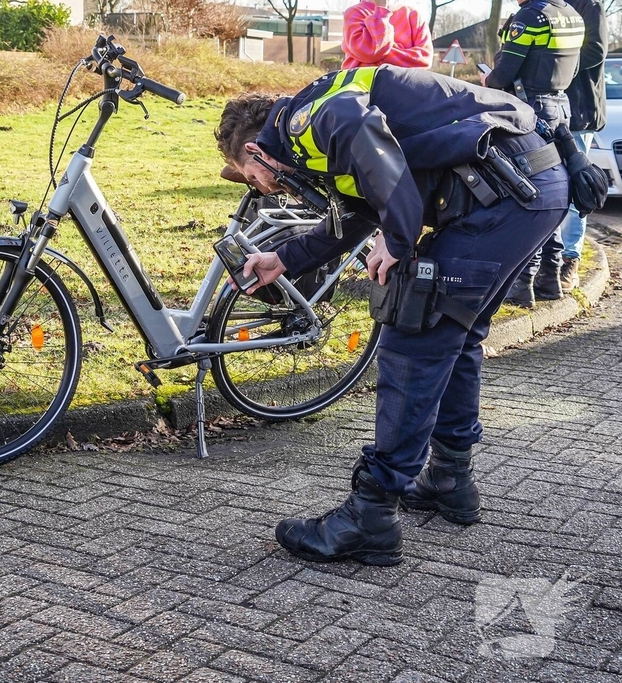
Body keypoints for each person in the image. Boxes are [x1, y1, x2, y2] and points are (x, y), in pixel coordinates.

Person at [215, 66, 570, 566]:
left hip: (502, 196)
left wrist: (399, 238)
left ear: (255, 151)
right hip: (528, 189)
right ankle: (450, 478)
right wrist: (285, 259)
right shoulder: (314, 133)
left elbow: (364, 137)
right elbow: (359, 212)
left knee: (413, 338)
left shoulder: (310, 119)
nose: (265, 190)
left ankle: (371, 515)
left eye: (253, 178)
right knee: (456, 337)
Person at [481, 0, 584, 306]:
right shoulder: (572, 15)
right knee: (553, 192)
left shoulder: (530, 17)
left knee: (529, 195)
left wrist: (488, 78)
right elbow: (573, 70)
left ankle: (524, 281)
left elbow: (502, 76)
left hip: (531, 111)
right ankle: (550, 278)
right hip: (560, 109)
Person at [560, 0, 608, 289]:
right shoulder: (550, 6)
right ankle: (547, 258)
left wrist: (556, 64)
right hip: (550, 109)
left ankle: (570, 259)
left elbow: (595, 51)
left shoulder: (590, 5)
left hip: (579, 112)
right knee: (550, 188)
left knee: (576, 188)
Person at [341, 0, 433, 69]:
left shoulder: (413, 14)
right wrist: (381, 11)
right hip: (365, 86)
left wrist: (376, 59)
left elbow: (425, 59)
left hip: (403, 86)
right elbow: (369, 52)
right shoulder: (354, 13)